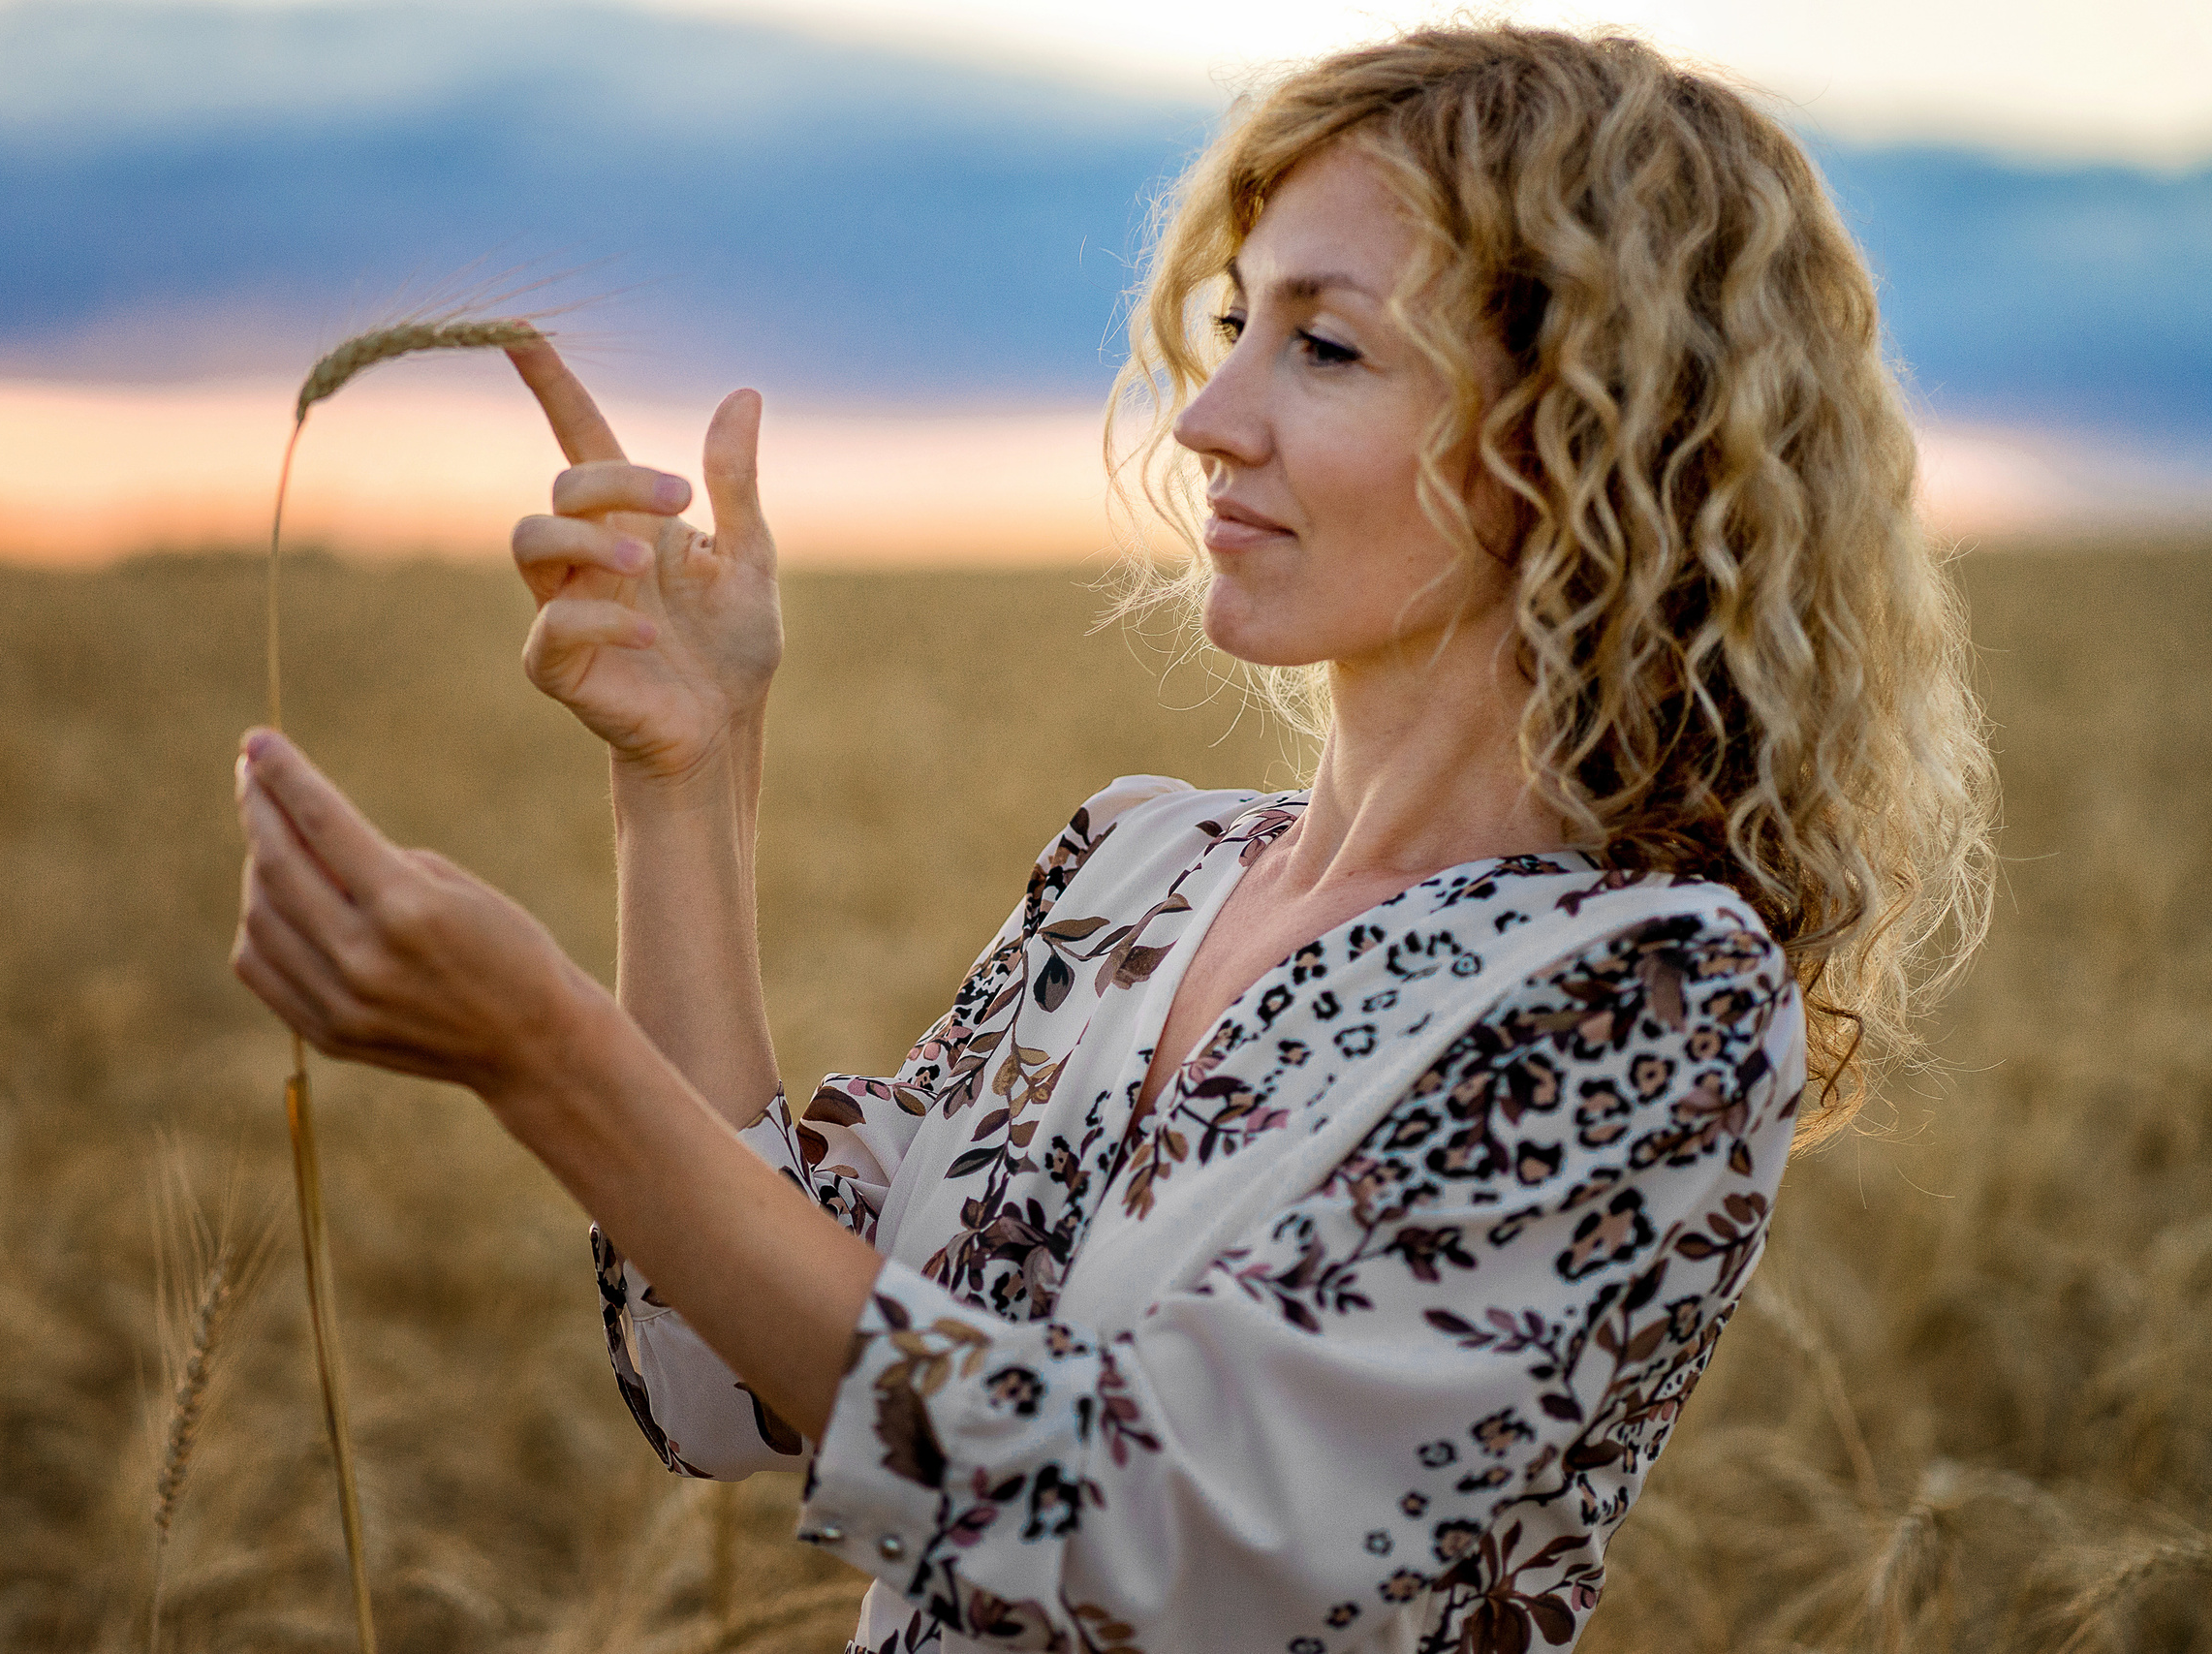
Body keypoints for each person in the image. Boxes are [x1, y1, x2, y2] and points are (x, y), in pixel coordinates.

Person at [229, 25, 1993, 1653]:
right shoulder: (1144, 870)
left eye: (1325, 345)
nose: (1212, 420)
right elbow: (723, 1382)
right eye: (1236, 329)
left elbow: (1141, 1540)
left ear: (1586, 433)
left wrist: (550, 1059)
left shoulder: (1641, 991)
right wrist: (684, 780)